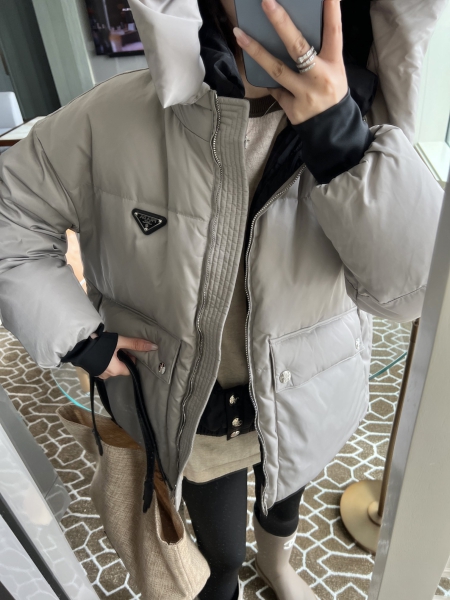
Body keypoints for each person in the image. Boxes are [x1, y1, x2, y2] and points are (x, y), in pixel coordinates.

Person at [0, 0, 444, 598]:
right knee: (221, 555)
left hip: (308, 388)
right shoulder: (113, 116)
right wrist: (77, 336)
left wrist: (341, 141)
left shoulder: (372, 131)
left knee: (285, 501)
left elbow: (413, 294)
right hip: (195, 407)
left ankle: (279, 564)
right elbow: (11, 216)